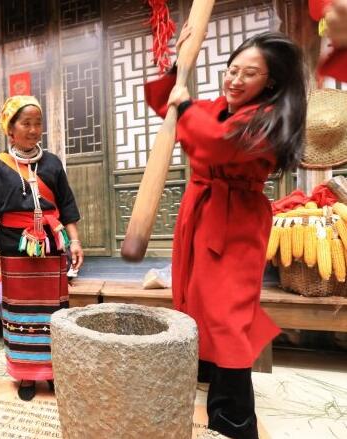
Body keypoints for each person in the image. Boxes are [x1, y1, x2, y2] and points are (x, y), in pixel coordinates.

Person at [144, 30, 306, 439]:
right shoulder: (218, 108)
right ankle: (208, 380)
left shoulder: (266, 119)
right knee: (195, 298)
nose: (235, 80)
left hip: (236, 221)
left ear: (269, 82)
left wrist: (184, 106)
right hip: (201, 213)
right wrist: (178, 68)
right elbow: (166, 103)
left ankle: (235, 420)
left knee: (228, 314)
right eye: (232, 70)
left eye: (248, 74)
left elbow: (216, 143)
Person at [0, 95, 84, 402]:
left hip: (51, 246)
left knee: (53, 312)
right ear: (10, 129)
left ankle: (52, 371)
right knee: (19, 312)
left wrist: (75, 241)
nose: (34, 129)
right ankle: (25, 373)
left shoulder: (52, 163)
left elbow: (66, 205)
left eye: (38, 123)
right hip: (14, 248)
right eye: (26, 123)